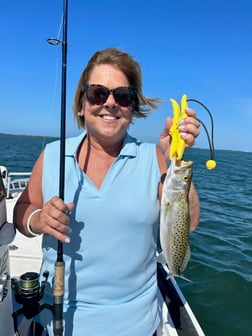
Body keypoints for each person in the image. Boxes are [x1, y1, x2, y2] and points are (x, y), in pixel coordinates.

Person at [14, 47, 200, 336]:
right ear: (81, 103)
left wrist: (173, 157)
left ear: (132, 108)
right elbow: (21, 211)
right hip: (58, 321)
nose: (110, 103)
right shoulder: (52, 156)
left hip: (137, 325)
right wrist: (37, 220)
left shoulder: (155, 158)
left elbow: (187, 224)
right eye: (98, 93)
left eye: (123, 96)